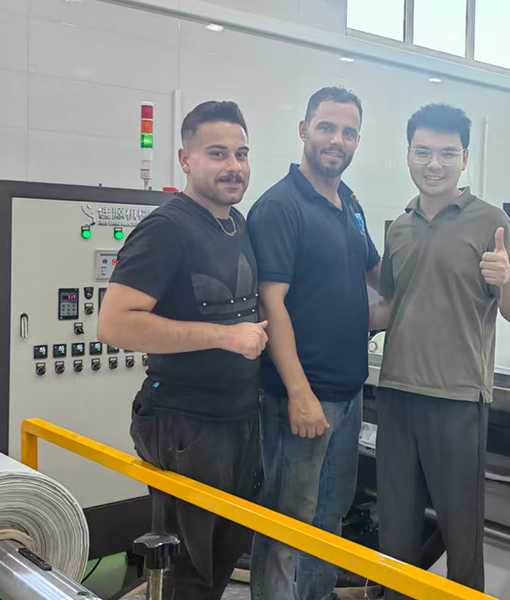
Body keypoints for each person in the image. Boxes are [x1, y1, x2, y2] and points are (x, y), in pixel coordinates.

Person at [98, 101, 267, 600]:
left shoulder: (237, 224)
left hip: (238, 420)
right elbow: (114, 324)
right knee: (187, 571)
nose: (233, 166)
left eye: (241, 154)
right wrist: (224, 336)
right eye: (217, 153)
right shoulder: (166, 229)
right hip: (185, 425)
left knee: (219, 562)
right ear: (185, 159)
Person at [369, 104, 510, 598]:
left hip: (458, 398)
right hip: (396, 393)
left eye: (445, 154)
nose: (433, 164)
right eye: (423, 152)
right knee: (395, 530)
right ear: (408, 155)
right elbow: (390, 306)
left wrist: (506, 279)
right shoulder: (399, 226)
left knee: (461, 535)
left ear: (464, 159)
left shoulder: (491, 222)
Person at [246, 86, 381, 600]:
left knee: (329, 519)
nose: (337, 140)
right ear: (304, 130)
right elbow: (271, 305)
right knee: (287, 523)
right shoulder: (280, 207)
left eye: (349, 132)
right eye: (327, 127)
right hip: (300, 399)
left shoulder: (350, 204)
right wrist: (299, 393)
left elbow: (379, 279)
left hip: (348, 396)